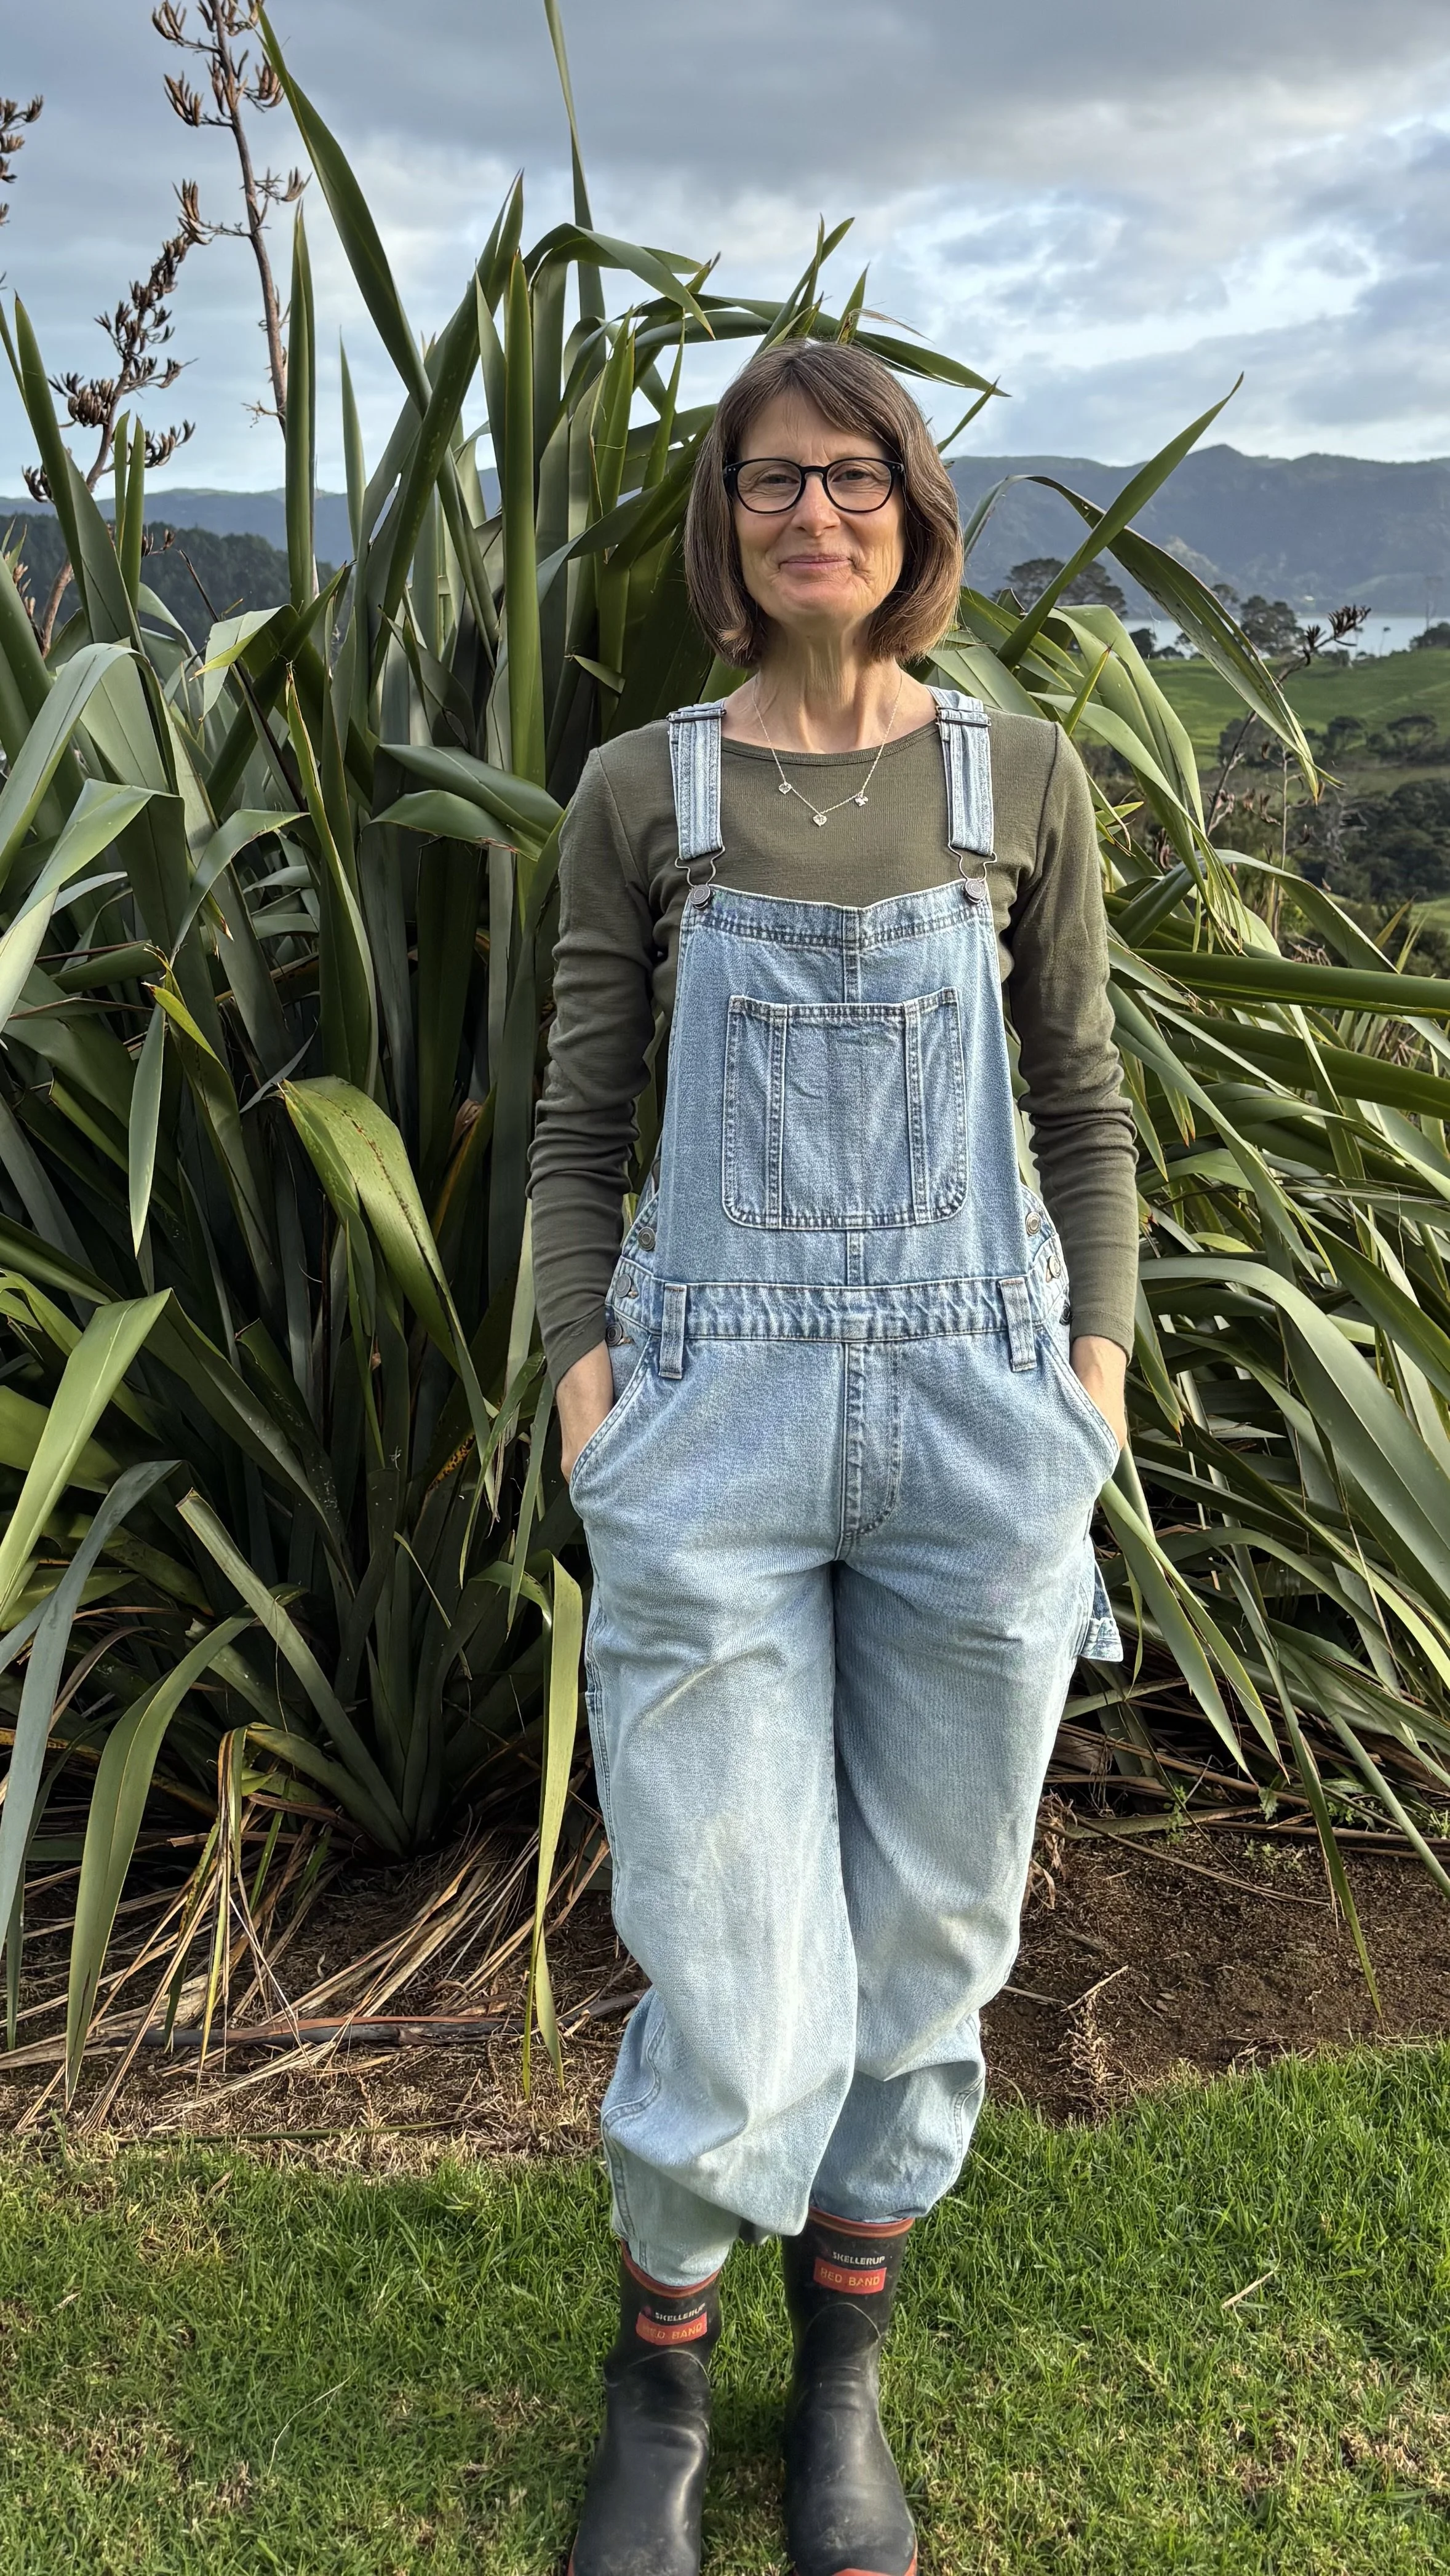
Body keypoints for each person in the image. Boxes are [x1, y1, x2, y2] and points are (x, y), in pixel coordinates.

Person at [529, 337, 1137, 2576]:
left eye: (856, 475)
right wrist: (592, 1395)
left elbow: (1081, 1108)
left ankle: (846, 2369)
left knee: (936, 1930)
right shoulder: (641, 793)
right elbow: (577, 1128)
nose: (817, 513)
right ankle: (663, 2385)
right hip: (710, 1422)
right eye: (775, 480)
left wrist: (1088, 1372)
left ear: (912, 508)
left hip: (983, 1424)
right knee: (730, 1940)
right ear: (727, 518)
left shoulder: (1019, 782)